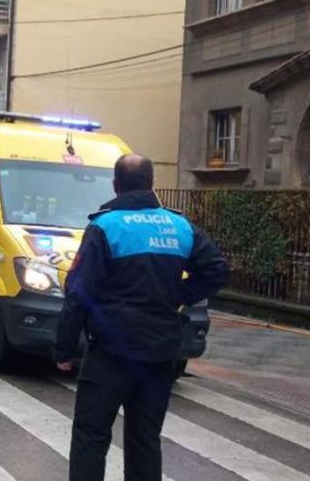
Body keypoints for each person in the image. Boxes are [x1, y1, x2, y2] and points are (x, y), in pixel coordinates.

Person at [53, 155, 229, 481]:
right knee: (145, 439)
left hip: (110, 352)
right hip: (160, 353)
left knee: (91, 436)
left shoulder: (105, 227)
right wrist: (180, 294)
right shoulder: (179, 226)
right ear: (151, 184)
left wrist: (64, 350)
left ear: (116, 185)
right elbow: (217, 269)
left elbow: (78, 293)